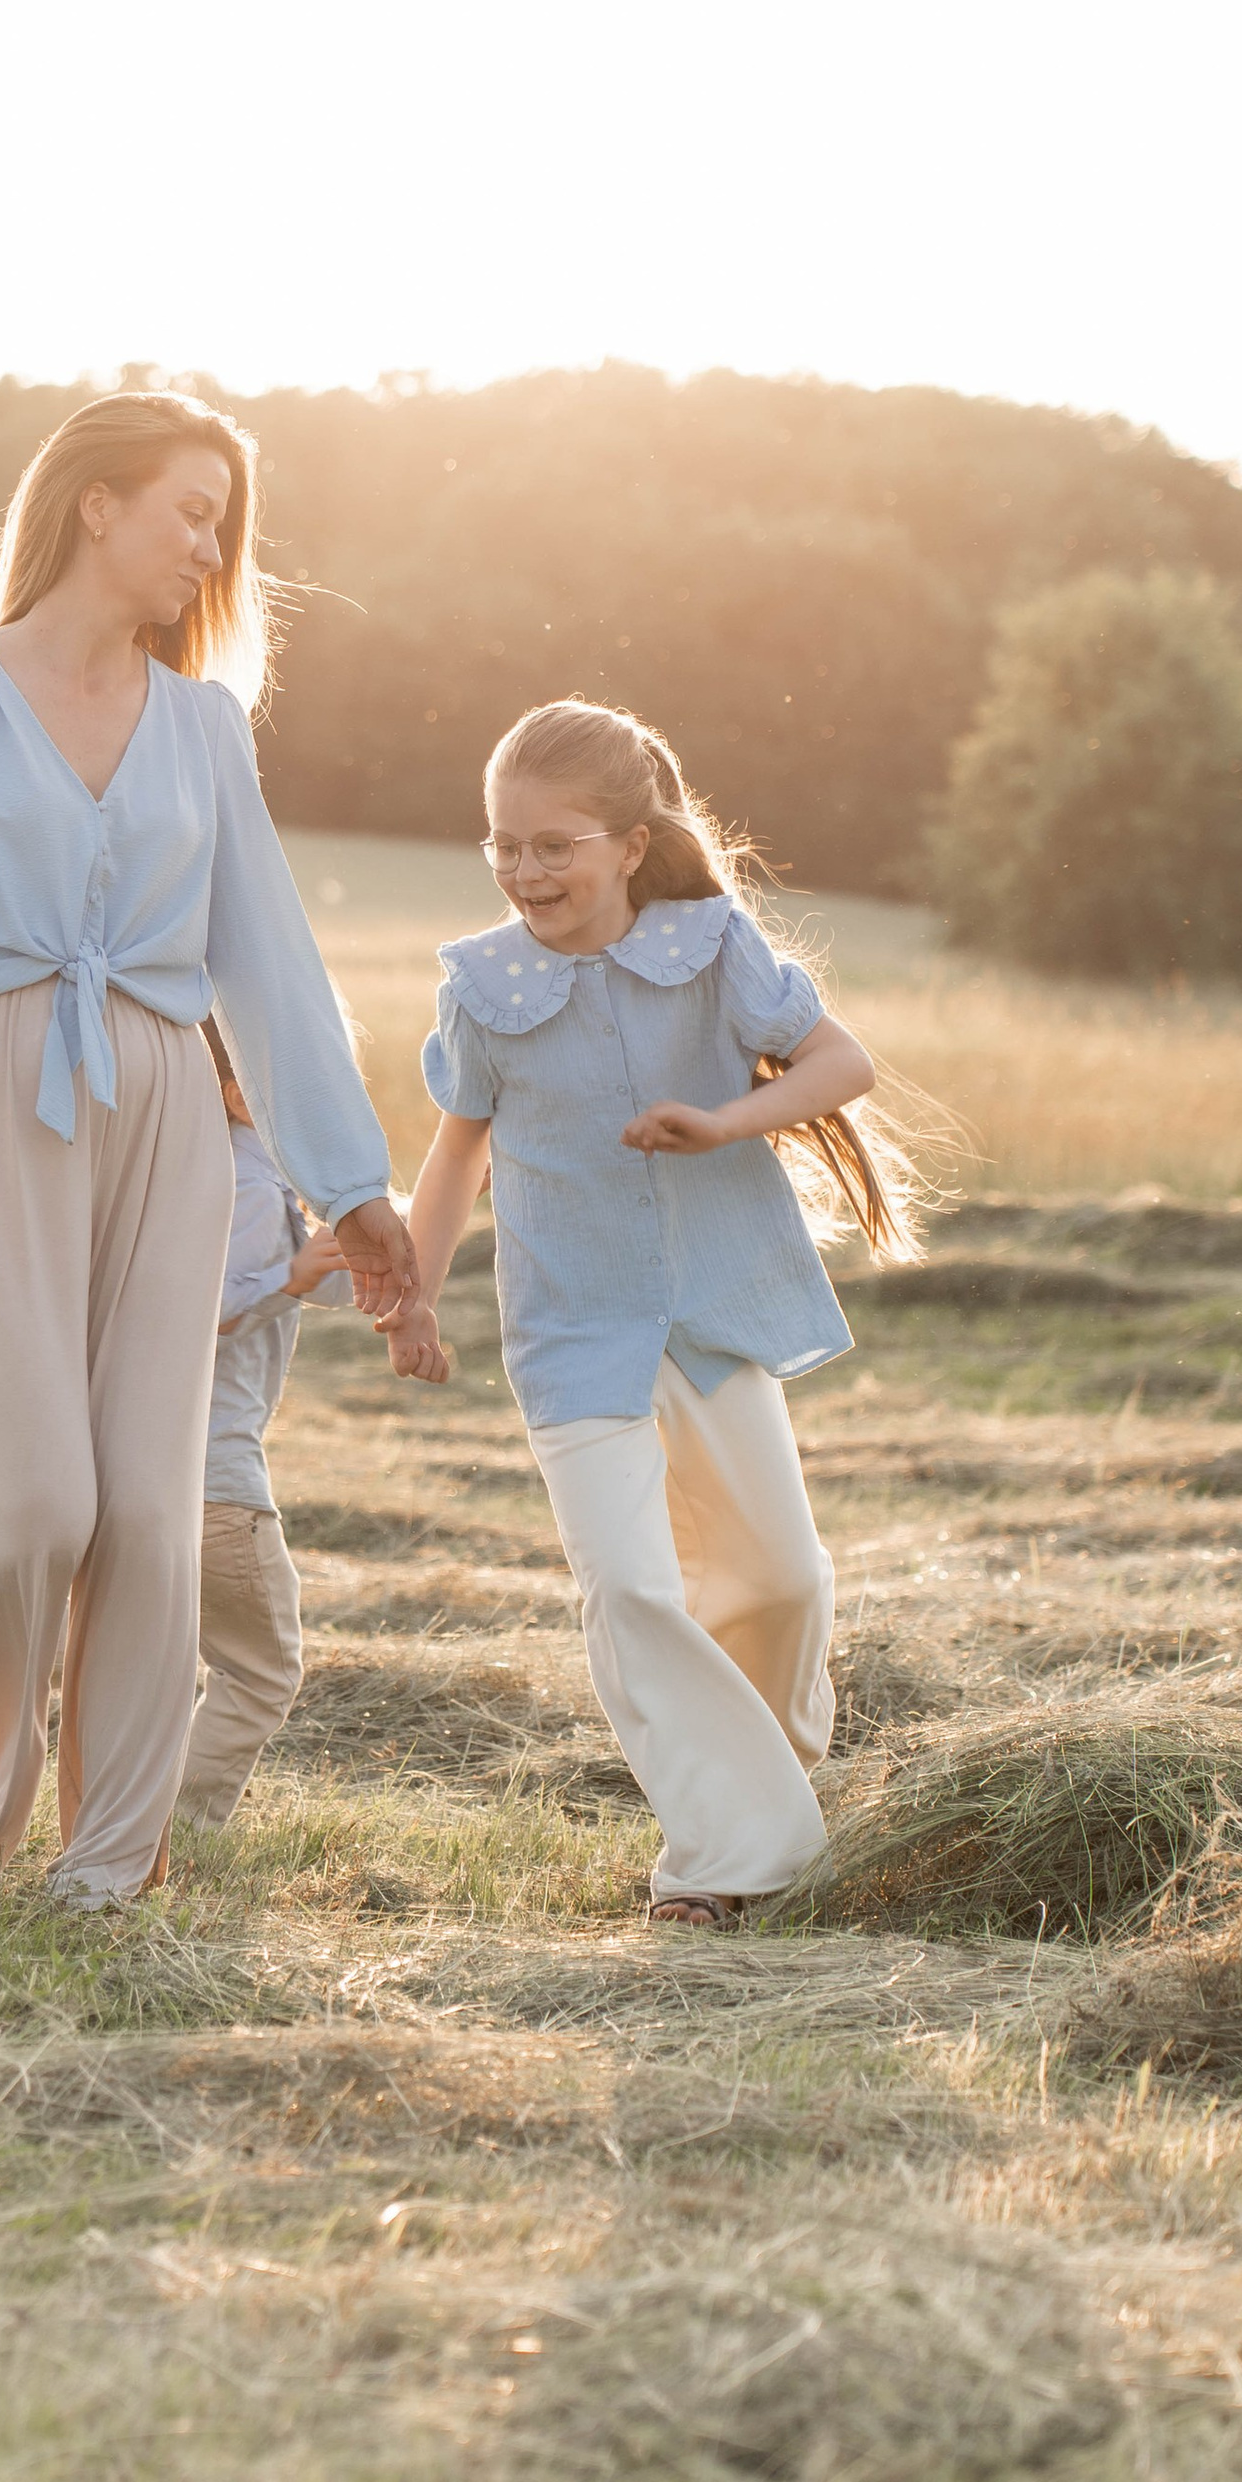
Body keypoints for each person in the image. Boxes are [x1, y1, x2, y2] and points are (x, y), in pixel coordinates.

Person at [0, 391, 417, 1906]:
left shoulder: (201, 725)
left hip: (163, 1113)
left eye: (224, 525)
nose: (212, 550)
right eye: (191, 512)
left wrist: (353, 1183)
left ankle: (107, 1868)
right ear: (95, 506)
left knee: (146, 1511)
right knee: (29, 1507)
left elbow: (270, 962)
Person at [381, 699, 928, 1926]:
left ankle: (777, 1773)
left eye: (553, 845)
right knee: (629, 1590)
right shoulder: (480, 987)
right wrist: (411, 1295)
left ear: (631, 845)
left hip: (712, 1310)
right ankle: (726, 1856)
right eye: (503, 846)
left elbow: (845, 1065)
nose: (524, 872)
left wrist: (726, 1123)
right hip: (572, 1329)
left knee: (780, 1581)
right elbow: (455, 1154)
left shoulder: (714, 947)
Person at [176, 1023, 352, 1825]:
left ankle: (114, 1817)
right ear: (236, 1092)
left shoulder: (200, 1172)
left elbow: (336, 1283)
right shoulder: (247, 1188)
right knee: (261, 1673)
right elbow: (199, 1308)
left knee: (157, 1663)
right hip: (217, 1483)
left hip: (157, 1469)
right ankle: (176, 1830)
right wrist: (289, 1275)